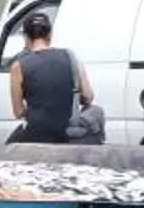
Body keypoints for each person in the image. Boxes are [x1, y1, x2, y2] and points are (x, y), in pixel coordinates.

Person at [6, 11, 95, 144]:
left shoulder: (18, 67)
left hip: (37, 136)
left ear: (26, 37)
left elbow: (18, 112)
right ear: (50, 34)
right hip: (68, 135)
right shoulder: (71, 57)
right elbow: (88, 96)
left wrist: (38, 112)